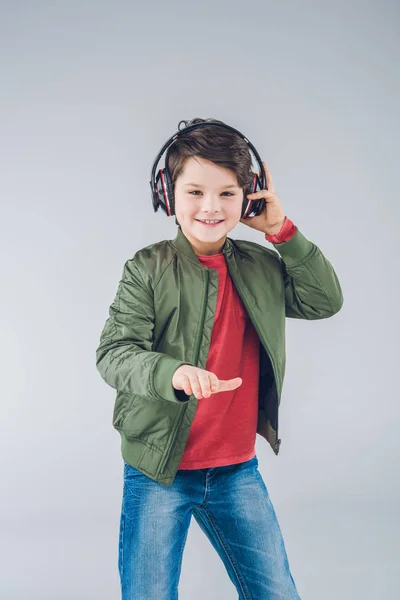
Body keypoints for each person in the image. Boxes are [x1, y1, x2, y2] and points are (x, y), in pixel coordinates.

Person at [95, 117, 343, 599]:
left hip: (236, 470)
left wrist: (281, 231)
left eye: (228, 194)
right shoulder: (147, 269)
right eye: (195, 192)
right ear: (168, 195)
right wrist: (174, 372)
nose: (211, 207)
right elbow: (113, 354)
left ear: (248, 197)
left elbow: (323, 301)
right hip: (158, 469)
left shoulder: (261, 267)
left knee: (277, 592)